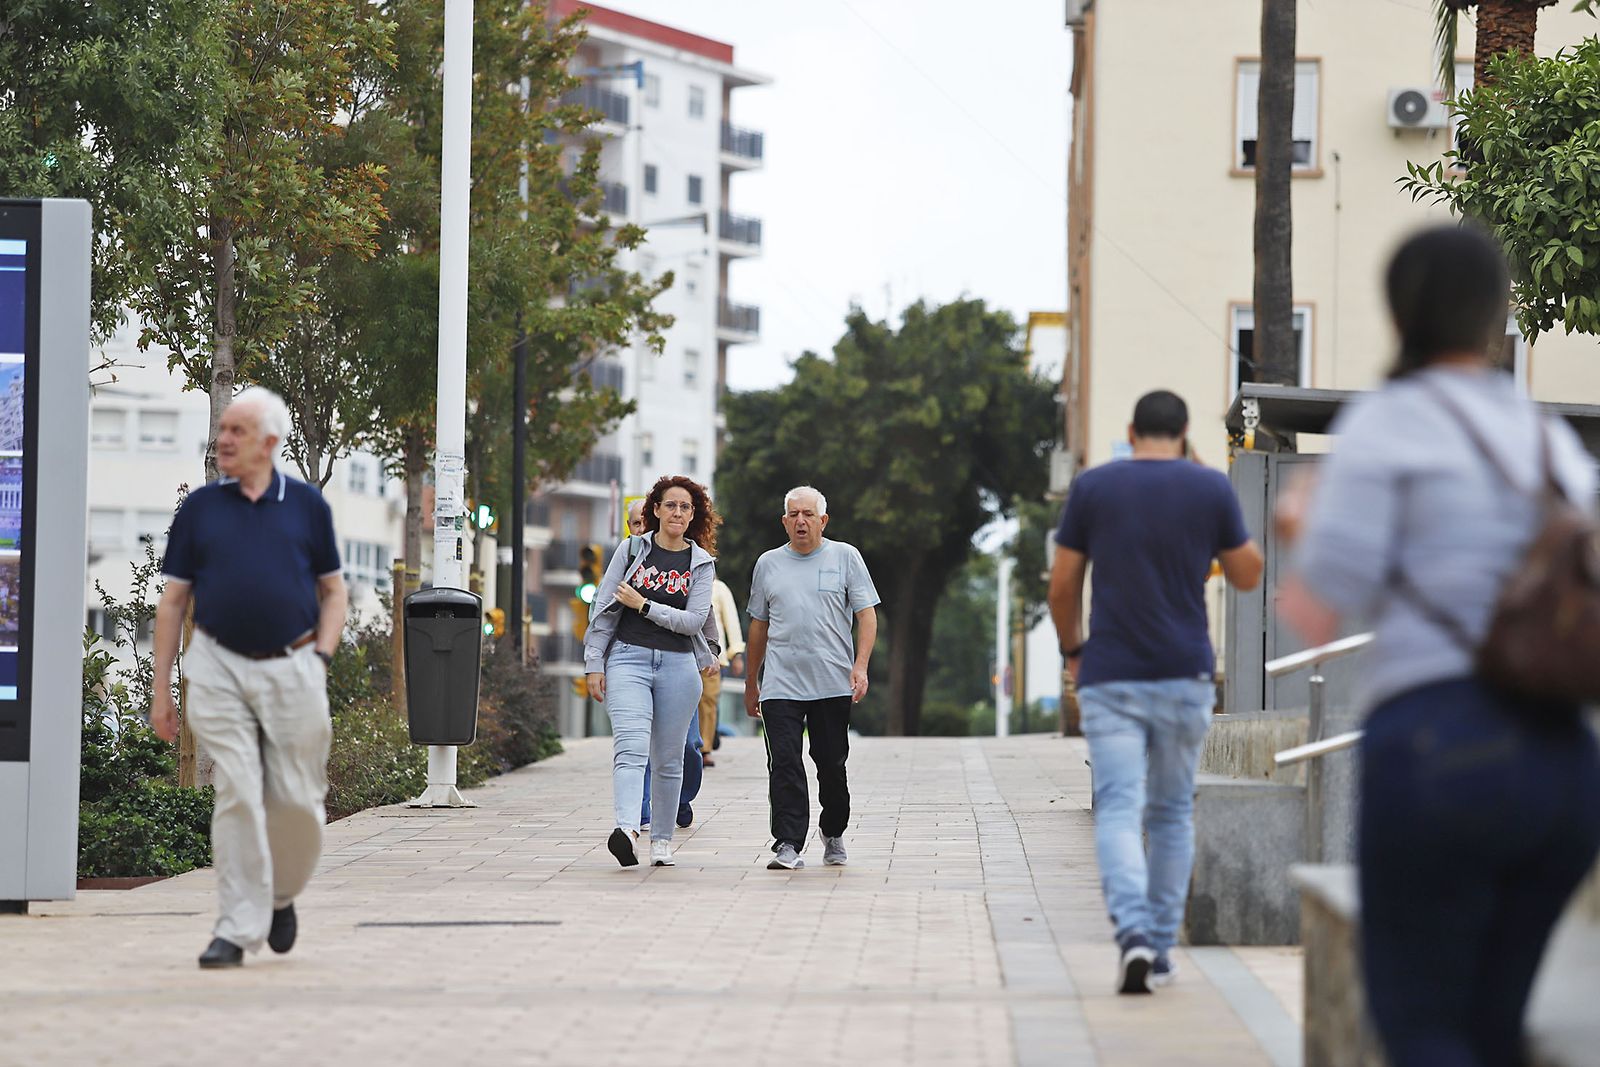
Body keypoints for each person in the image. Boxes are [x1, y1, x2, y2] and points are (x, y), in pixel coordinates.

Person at [1277, 224, 1600, 1067]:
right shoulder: (1551, 444)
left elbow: (1317, 616)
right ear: (1495, 314)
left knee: (1422, 1029)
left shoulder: (1389, 425)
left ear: (1399, 313)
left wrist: (1297, 524)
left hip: (1437, 748)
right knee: (1496, 1035)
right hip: (1565, 767)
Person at [1048, 390, 1263, 994]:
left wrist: (1073, 650)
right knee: (1171, 814)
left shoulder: (1094, 487)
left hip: (1111, 674)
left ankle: (1134, 933)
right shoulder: (1208, 489)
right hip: (1183, 673)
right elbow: (1248, 573)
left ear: (1130, 429)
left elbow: (1063, 584)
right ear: (1186, 432)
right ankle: (1162, 948)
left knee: (1118, 808)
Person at [150, 387, 347, 969]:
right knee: (236, 791)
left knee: (297, 800)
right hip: (218, 664)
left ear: (269, 443)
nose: (223, 440)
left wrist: (320, 659)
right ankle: (236, 927)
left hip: (295, 664)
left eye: (236, 431)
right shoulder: (201, 510)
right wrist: (162, 690)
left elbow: (333, 592)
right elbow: (172, 603)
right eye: (222, 430)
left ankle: (280, 895)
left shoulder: (308, 506)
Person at [585, 476, 722, 868]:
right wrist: (594, 664)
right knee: (630, 747)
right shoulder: (631, 550)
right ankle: (627, 829)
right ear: (655, 511)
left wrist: (644, 605)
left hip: (679, 666)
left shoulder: (701, 564)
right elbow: (603, 607)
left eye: (685, 507)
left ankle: (661, 840)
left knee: (668, 759)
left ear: (693, 515)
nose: (677, 512)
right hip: (628, 659)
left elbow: (694, 620)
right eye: (670, 505)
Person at [744, 486, 879, 871]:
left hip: (832, 681)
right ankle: (788, 841)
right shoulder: (768, 563)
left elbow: (867, 614)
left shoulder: (845, 557)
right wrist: (753, 682)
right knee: (784, 761)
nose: (800, 521)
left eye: (808, 514)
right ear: (784, 521)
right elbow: (758, 625)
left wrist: (860, 666)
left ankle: (833, 830)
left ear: (823, 520)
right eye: (793, 515)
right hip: (781, 684)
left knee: (831, 765)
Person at [628, 498, 705, 832]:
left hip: (680, 662)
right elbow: (604, 611)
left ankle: (681, 797)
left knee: (685, 746)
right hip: (635, 660)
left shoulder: (692, 562)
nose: (641, 529)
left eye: (643, 521)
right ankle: (643, 811)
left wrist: (711, 652)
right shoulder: (628, 560)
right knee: (638, 741)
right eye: (635, 524)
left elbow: (703, 618)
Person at [699, 578, 745, 768]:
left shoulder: (719, 588)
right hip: (682, 653)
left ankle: (705, 749)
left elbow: (731, 621)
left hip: (712, 657)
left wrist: (736, 653)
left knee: (708, 702)